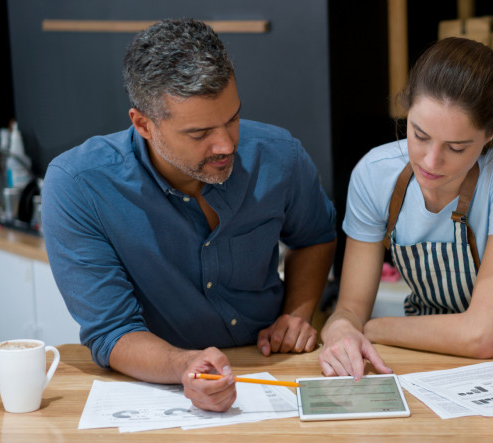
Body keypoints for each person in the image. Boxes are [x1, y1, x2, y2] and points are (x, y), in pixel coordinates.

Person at [42, 19, 337, 411]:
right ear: (143, 124)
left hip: (274, 370)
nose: (226, 144)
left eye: (232, 119)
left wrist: (297, 313)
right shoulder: (79, 185)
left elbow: (315, 236)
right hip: (157, 386)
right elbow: (112, 332)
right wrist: (184, 366)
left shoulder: (280, 155)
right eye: (199, 134)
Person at [318, 37, 493, 378]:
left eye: (457, 147)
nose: (431, 161)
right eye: (419, 135)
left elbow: (482, 337)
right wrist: (341, 329)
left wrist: (369, 329)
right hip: (418, 359)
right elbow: (348, 309)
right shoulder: (374, 174)